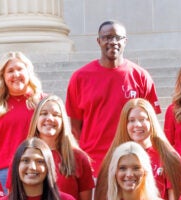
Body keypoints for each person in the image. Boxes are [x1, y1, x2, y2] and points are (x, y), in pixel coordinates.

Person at [66, 20, 160, 170]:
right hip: (94, 164)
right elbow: (75, 128)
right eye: (107, 37)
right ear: (98, 41)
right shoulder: (80, 77)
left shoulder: (141, 76)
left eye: (118, 37)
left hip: (133, 163)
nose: (113, 41)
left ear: (125, 41)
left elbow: (151, 125)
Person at [96, 98, 181, 200]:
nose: (138, 125)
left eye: (143, 119)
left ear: (151, 121)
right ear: (124, 124)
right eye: (131, 120)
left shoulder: (168, 157)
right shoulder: (114, 158)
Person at [0, 52, 45, 186]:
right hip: (1, 174)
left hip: (36, 170)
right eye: (10, 71)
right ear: (3, 77)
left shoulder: (43, 103)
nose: (16, 74)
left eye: (20, 69)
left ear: (28, 72)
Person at [29, 95, 95, 200]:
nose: (49, 118)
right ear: (36, 119)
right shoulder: (23, 156)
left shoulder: (79, 158)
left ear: (63, 120)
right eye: (44, 113)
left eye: (56, 115)